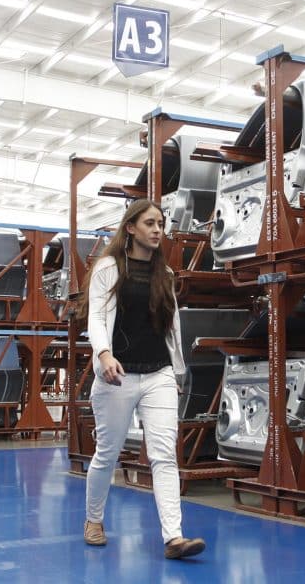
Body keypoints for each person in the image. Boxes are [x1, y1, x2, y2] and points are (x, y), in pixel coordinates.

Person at [78, 199, 205, 559]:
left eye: (161, 224)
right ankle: (93, 520)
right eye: (150, 223)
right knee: (107, 454)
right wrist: (104, 354)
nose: (157, 229)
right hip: (116, 376)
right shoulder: (108, 268)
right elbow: (96, 318)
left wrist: (175, 373)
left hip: (158, 374)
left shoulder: (165, 275)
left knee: (164, 456)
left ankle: (174, 537)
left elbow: (171, 328)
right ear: (130, 228)